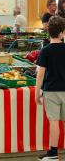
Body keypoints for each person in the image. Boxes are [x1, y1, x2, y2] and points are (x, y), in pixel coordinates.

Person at [36, 16, 65, 161]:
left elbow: (40, 74)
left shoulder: (45, 51)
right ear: (63, 32)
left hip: (51, 91)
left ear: (48, 32)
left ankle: (53, 153)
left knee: (54, 122)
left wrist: (37, 93)